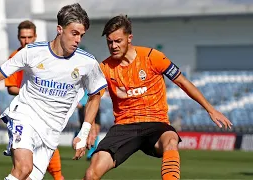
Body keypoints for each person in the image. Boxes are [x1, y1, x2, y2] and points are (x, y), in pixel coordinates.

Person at [83, 15, 233, 180]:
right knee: (91, 174)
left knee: (171, 140)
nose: (113, 46)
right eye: (110, 42)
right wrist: (87, 128)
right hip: (124, 126)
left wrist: (210, 109)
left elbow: (183, 82)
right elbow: (94, 99)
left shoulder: (152, 57)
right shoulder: (104, 68)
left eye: (118, 41)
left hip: (156, 124)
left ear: (129, 38)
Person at [0, 3, 107, 180]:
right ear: (59, 29)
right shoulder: (32, 52)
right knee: (23, 168)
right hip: (25, 117)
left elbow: (95, 96)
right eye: (74, 33)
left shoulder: (87, 63)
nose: (78, 40)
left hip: (51, 132)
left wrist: (84, 131)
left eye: (81, 35)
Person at [4, 20, 64, 180]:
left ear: (35, 36)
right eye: (23, 37)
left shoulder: (45, 55)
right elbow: (11, 88)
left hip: (44, 114)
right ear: (18, 37)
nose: (26, 41)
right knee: (23, 167)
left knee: (52, 159)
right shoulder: (15, 58)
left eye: (29, 37)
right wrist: (35, 92)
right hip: (24, 116)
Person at [76, 89, 101, 160]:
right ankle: (78, 138)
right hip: (84, 107)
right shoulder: (82, 79)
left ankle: (91, 153)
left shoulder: (96, 79)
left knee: (96, 130)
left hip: (95, 106)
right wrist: (78, 104)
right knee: (86, 129)